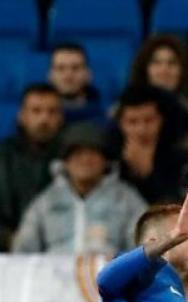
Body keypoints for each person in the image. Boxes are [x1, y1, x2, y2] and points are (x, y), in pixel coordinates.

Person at [12, 123, 146, 254]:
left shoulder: (126, 198)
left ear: (106, 161)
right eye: (78, 153)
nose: (86, 159)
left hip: (110, 274)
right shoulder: (46, 201)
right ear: (65, 162)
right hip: (53, 275)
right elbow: (22, 251)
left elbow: (142, 248)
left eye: (93, 153)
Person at [0, 84, 64, 251]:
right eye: (36, 111)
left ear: (61, 117)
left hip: (61, 248)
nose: (44, 119)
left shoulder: (74, 157)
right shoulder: (3, 156)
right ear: (21, 116)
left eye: (51, 112)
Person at [114, 85, 187, 204]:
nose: (141, 130)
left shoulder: (179, 156)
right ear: (121, 123)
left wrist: (148, 174)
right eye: (132, 122)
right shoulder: (108, 154)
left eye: (149, 120)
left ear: (161, 120)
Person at [48, 43, 105, 125]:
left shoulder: (104, 119)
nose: (68, 76)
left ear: (88, 75)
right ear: (50, 76)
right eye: (60, 68)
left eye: (75, 68)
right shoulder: (39, 120)